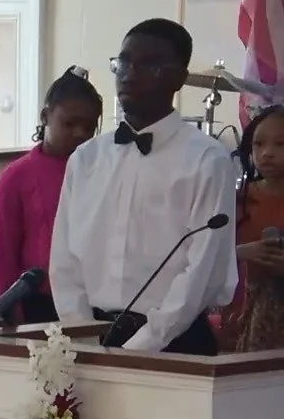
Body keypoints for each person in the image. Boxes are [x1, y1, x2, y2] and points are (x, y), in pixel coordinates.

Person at [50, 18, 238, 354]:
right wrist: (81, 332)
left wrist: (141, 346)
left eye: (148, 65)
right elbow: (64, 259)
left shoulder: (207, 160)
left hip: (173, 342)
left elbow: (201, 269)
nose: (129, 74)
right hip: (90, 339)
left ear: (179, 78)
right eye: (123, 63)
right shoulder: (86, 159)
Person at [0, 66, 102, 324]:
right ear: (45, 116)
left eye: (89, 126)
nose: (80, 134)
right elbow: (1, 254)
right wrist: (9, 313)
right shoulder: (16, 177)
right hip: (40, 304)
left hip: (98, 302)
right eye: (69, 123)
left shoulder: (104, 170)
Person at [230, 105, 284, 351]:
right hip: (238, 320)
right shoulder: (237, 199)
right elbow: (206, 256)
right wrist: (243, 252)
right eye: (258, 144)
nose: (267, 154)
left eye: (280, 145)